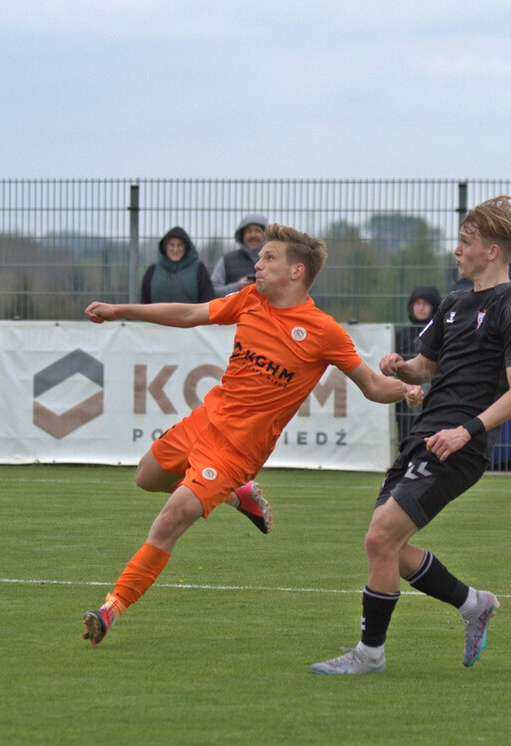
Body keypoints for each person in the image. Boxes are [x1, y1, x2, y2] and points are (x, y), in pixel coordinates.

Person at [81, 223, 423, 646]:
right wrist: (120, 312)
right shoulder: (251, 300)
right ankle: (236, 496)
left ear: (296, 271)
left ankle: (111, 608)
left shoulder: (323, 331)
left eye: (268, 258)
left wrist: (407, 389)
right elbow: (190, 314)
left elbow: (372, 385)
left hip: (235, 453)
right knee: (146, 477)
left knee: (170, 519)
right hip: (205, 421)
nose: (257, 265)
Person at [310, 195, 511, 675]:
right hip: (424, 435)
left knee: (379, 539)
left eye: (466, 241)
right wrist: (401, 367)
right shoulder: (455, 302)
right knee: (387, 549)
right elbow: (424, 368)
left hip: (459, 446)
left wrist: (465, 431)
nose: (457, 250)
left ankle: (369, 655)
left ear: (493, 251)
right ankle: (472, 604)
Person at [394, 285, 442, 441]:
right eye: (417, 303)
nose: (421, 308)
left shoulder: (439, 333)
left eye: (426, 304)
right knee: (407, 435)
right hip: (406, 394)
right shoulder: (402, 335)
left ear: (434, 307)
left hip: (432, 393)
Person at [140, 227, 215, 304]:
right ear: (165, 247)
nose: (175, 249)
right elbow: (144, 302)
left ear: (186, 247)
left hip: (188, 316)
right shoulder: (152, 270)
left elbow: (207, 300)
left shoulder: (199, 269)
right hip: (156, 316)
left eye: (180, 245)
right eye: (171, 245)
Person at [210, 213, 268, 297]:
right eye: (248, 231)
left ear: (266, 235)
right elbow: (212, 291)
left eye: (258, 231)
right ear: (242, 236)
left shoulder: (276, 260)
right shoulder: (227, 260)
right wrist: (237, 287)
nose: (253, 235)